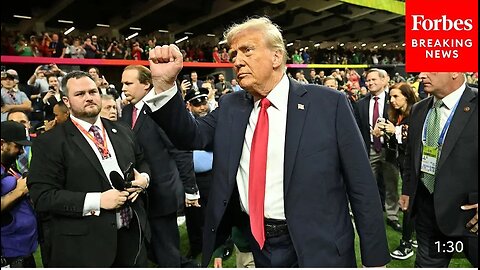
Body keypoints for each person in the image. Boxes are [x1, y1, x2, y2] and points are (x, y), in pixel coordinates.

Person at [143, 17, 390, 267]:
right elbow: (190, 135)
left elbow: (361, 183)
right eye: (233, 54)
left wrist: (375, 258)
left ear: (276, 57)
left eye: (247, 50)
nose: (237, 61)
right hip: (260, 245)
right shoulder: (231, 106)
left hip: (321, 246)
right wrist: (164, 85)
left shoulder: (329, 103)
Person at [26, 71, 151, 267]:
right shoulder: (50, 142)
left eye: (93, 91)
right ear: (66, 101)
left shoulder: (123, 130)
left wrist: (143, 179)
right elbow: (42, 197)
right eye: (80, 94)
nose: (89, 97)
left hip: (132, 236)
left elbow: (142, 161)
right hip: (85, 247)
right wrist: (97, 201)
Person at [118, 65, 199, 267]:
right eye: (122, 83)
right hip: (138, 197)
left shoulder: (161, 110)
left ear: (146, 84)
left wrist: (190, 189)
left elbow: (180, 151)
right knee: (149, 249)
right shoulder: (126, 111)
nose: (123, 88)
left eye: (128, 83)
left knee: (167, 252)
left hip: (162, 195)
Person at [401, 72, 478, 267]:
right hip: (428, 214)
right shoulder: (418, 109)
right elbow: (411, 155)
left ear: (455, 71)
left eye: (430, 68)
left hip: (472, 218)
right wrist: (408, 190)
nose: (421, 74)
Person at [372, 83, 419, 260]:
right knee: (413, 203)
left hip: (415, 165)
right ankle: (413, 237)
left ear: (407, 96)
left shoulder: (417, 111)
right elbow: (398, 143)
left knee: (408, 202)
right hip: (402, 163)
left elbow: (415, 139)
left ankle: (406, 243)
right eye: (390, 97)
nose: (391, 101)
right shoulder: (397, 114)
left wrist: (396, 131)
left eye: (396, 97)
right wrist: (385, 132)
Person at [354, 68, 402, 233]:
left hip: (390, 150)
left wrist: (390, 131)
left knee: (391, 184)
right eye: (368, 80)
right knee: (367, 185)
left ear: (384, 80)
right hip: (369, 150)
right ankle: (369, 215)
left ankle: (392, 216)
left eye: (374, 80)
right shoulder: (360, 103)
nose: (370, 83)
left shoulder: (394, 101)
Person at [1, 120, 37, 267]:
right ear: (2, 144)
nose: (22, 151)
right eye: (18, 146)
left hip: (23, 251)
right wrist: (19, 191)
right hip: (7, 255)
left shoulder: (8, 166)